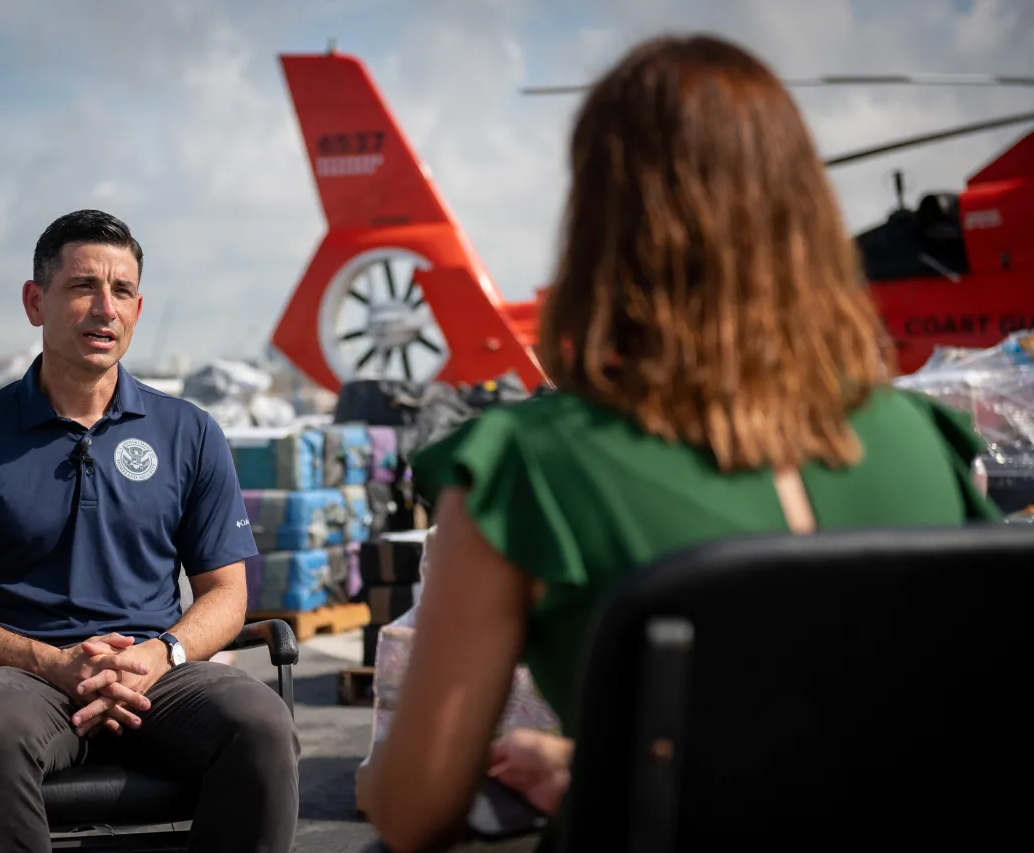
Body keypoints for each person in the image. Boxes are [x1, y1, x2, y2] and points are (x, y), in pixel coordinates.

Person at [357, 34, 1003, 853]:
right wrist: (600, 765)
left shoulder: (528, 467)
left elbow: (418, 809)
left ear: (600, 223)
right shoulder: (926, 443)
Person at [0, 210, 299, 853]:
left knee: (261, 723)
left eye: (123, 290)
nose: (105, 308)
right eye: (82, 287)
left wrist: (158, 654)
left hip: (154, 675)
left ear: (138, 308)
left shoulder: (190, 433)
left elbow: (228, 593)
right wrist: (52, 664)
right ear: (34, 302)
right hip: (21, 676)